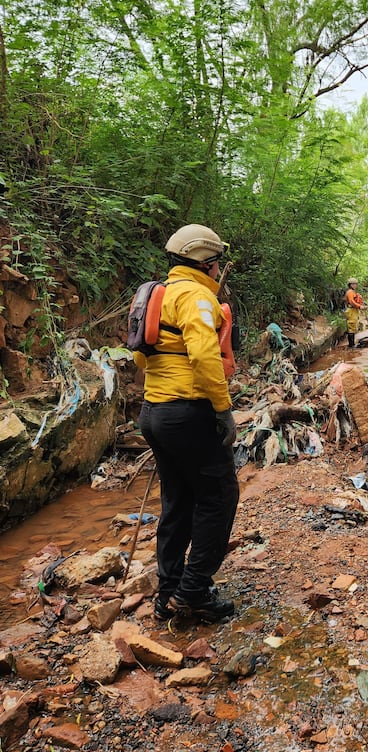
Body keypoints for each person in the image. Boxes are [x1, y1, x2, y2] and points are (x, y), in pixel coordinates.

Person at [134, 223, 239, 623]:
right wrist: (223, 408)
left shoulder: (159, 294)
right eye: (217, 263)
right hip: (189, 411)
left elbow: (142, 357)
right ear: (208, 263)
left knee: (177, 502)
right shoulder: (196, 296)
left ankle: (168, 593)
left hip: (154, 412)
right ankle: (193, 591)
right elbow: (204, 355)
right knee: (219, 495)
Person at [344, 277, 364, 348]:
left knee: (354, 326)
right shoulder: (350, 292)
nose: (355, 285)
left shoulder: (353, 292)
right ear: (350, 285)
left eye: (356, 284)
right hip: (351, 310)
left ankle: (352, 344)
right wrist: (359, 306)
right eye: (353, 284)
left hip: (354, 310)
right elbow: (352, 302)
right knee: (351, 326)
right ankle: (351, 345)